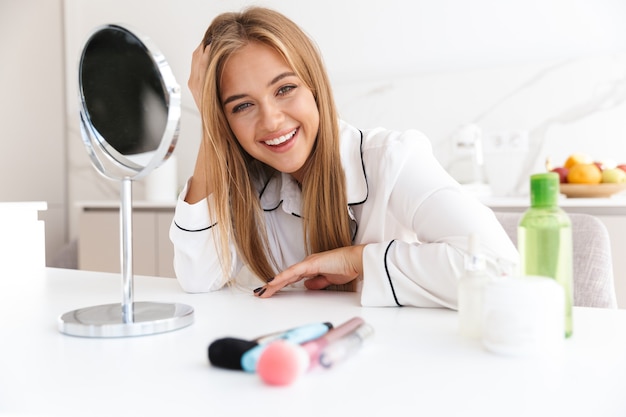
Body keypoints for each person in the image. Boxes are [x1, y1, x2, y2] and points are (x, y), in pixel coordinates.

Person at [169, 6, 519, 308]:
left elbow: (499, 270)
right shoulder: (250, 183)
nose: (271, 120)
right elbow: (197, 277)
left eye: (285, 89)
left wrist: (359, 260)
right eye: (242, 106)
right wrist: (208, 119)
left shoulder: (392, 159)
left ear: (315, 88)